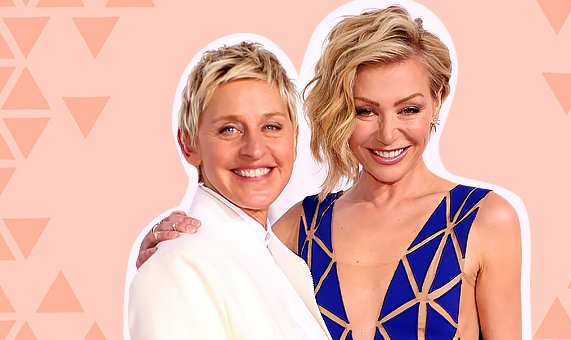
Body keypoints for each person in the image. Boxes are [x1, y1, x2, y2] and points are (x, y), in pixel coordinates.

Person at [137, 6, 522, 339]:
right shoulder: (296, 231)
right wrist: (172, 255)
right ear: (338, 110)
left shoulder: (486, 222)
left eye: (409, 109)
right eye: (364, 111)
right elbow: (225, 279)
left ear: (437, 100)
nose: (388, 134)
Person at [128, 42, 331, 339]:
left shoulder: (285, 264)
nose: (255, 149)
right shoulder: (177, 268)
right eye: (229, 129)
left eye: (271, 127)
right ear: (189, 145)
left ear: (295, 138)